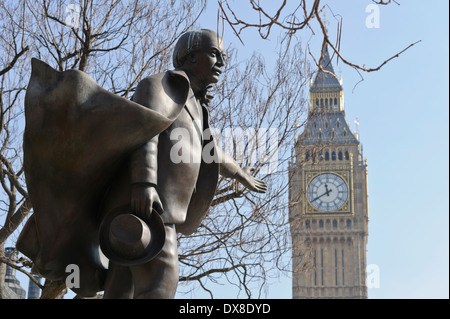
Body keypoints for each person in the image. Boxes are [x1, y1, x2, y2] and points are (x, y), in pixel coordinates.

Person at [102, 29, 267, 298]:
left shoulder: (195, 105)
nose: (222, 64)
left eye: (223, 56)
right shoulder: (161, 86)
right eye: (214, 54)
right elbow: (144, 130)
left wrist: (239, 173)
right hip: (151, 207)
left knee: (120, 290)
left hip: (146, 209)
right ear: (190, 56)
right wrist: (144, 183)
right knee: (161, 285)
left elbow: (210, 153)